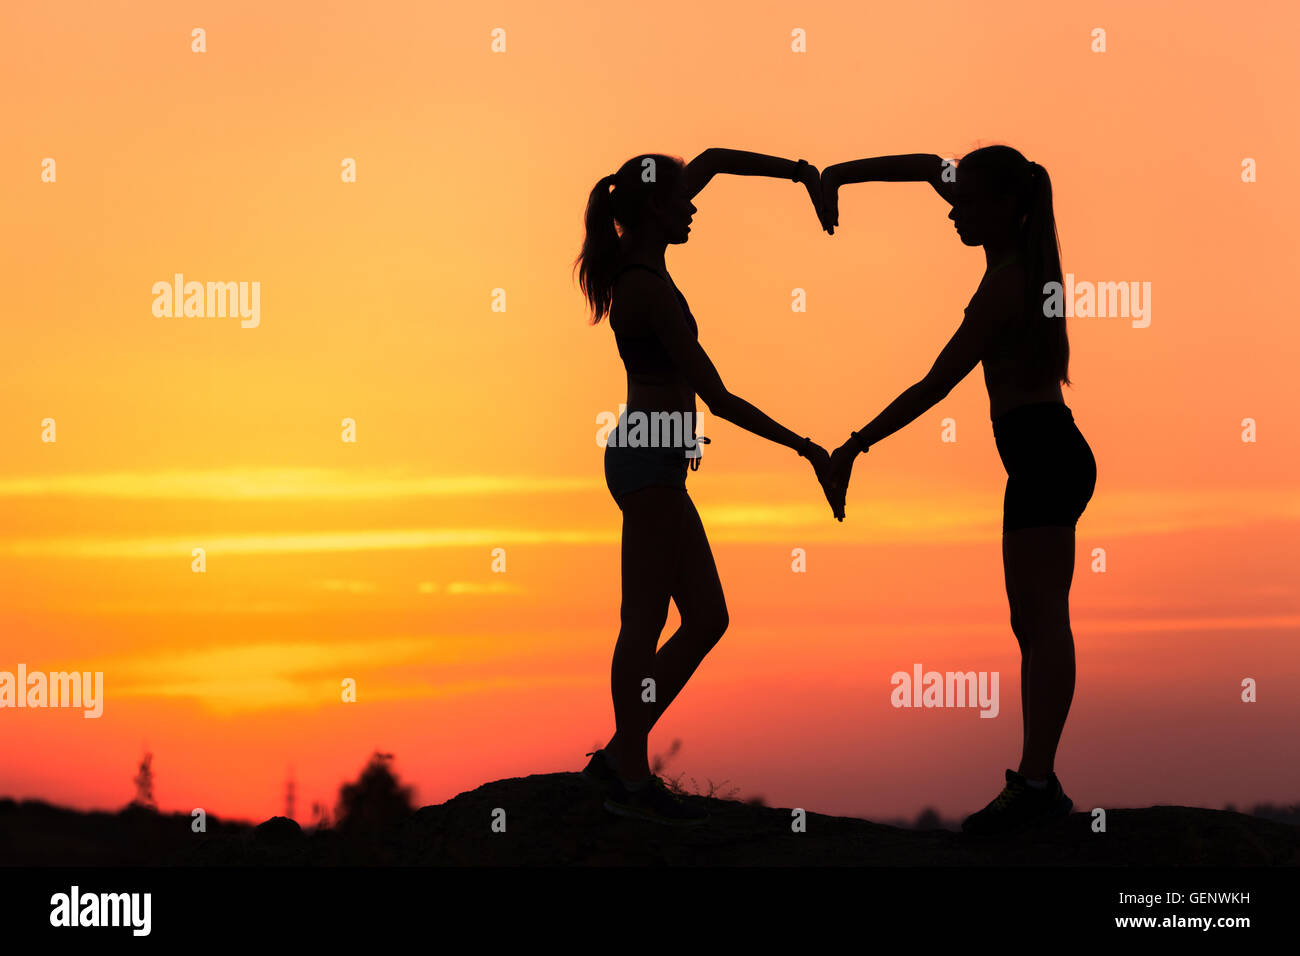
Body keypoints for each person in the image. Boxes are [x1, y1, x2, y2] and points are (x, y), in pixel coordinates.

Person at [821, 146, 1097, 834]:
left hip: (1045, 456)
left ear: (1006, 206)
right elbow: (925, 165)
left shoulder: (1008, 282)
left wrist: (856, 444)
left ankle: (1037, 783)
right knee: (1029, 623)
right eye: (956, 198)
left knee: (1044, 622)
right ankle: (1038, 779)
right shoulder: (1010, 251)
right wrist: (837, 178)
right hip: (1039, 457)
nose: (954, 209)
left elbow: (936, 382)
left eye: (968, 202)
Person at [574, 149, 836, 825]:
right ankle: (628, 778)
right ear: (655, 210)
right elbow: (718, 398)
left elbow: (713, 159)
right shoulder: (647, 289)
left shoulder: (645, 236)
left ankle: (620, 754)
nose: (693, 208)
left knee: (708, 618)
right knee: (643, 621)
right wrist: (807, 449)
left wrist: (801, 172)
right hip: (648, 462)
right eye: (681, 202)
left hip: (653, 462)